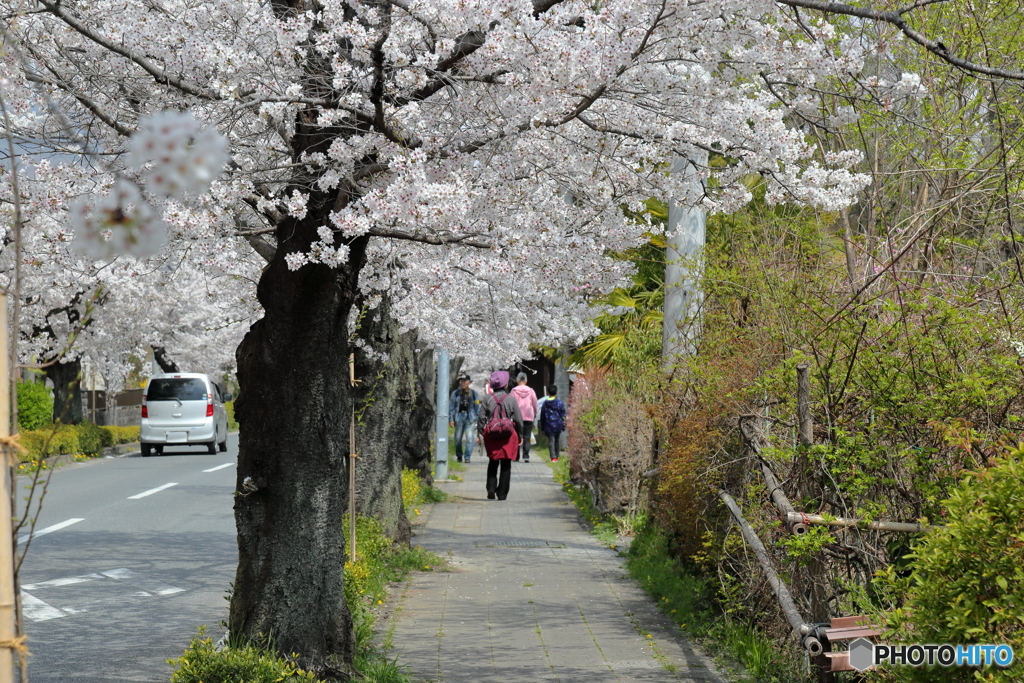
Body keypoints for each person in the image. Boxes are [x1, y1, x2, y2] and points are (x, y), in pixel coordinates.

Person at [478, 370, 523, 500]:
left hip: (492, 435)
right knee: (506, 463)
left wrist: (480, 433)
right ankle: (502, 494)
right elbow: (519, 419)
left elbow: (481, 418)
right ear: (506, 384)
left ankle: (491, 488)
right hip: (508, 436)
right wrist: (520, 435)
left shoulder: (487, 398)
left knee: (493, 461)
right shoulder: (511, 399)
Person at [449, 373, 480, 463]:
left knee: (470, 438)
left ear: (469, 382)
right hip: (459, 417)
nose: (462, 383)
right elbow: (451, 407)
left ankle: (467, 457)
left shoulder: (474, 394)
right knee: (458, 439)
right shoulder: (455, 393)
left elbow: (477, 407)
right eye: (461, 381)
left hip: (470, 418)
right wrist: (451, 419)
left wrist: (477, 419)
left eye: (464, 381)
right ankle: (459, 455)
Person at [510, 372, 538, 462]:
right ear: (526, 381)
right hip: (528, 416)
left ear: (517, 381)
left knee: (517, 436)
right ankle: (526, 456)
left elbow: (510, 404)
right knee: (526, 437)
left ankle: (516, 456)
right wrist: (535, 413)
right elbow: (535, 404)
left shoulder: (513, 391)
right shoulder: (531, 391)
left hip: (516, 416)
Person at [538, 384, 566, 462]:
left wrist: (542, 426)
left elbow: (542, 416)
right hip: (558, 425)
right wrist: (564, 425)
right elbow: (563, 414)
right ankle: (557, 456)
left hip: (548, 425)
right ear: (556, 392)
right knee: (557, 441)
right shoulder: (559, 403)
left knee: (551, 441)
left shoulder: (545, 404)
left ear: (548, 393)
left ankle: (553, 457)